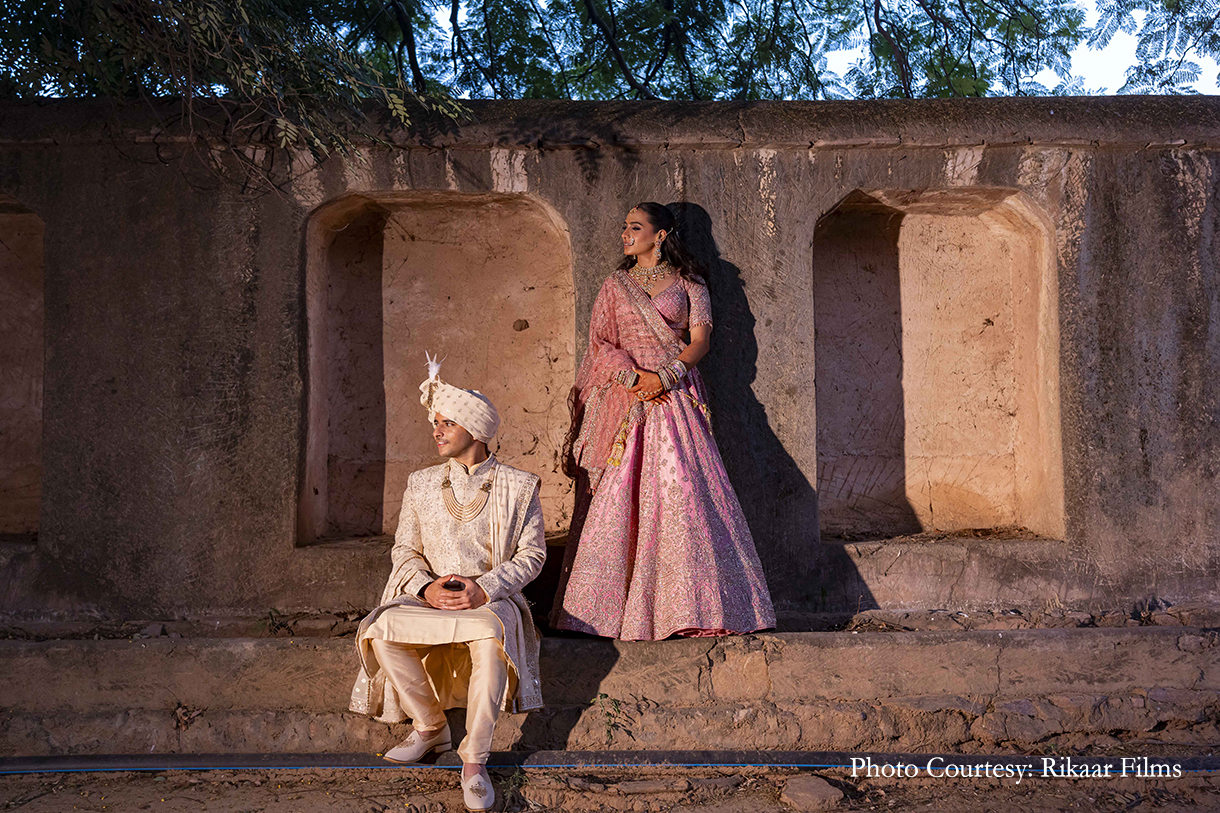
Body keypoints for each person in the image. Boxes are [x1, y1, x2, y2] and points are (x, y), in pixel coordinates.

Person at [550, 202, 775, 641]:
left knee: (684, 492)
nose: (625, 234)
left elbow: (701, 340)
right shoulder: (616, 286)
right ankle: (605, 613)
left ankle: (691, 607)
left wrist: (666, 375)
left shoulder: (690, 283)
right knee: (619, 496)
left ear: (662, 235)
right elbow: (601, 341)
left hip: (676, 396)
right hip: (628, 397)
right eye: (624, 227)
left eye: (635, 227)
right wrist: (633, 377)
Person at [350, 356, 545, 812]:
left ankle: (474, 762)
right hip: (429, 599)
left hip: (489, 600)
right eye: (435, 422)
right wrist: (424, 589)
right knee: (381, 629)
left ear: (475, 431)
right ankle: (429, 727)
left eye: (447, 423)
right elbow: (404, 551)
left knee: (490, 641)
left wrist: (486, 588)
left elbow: (533, 555)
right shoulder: (419, 484)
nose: (436, 431)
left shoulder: (518, 486)